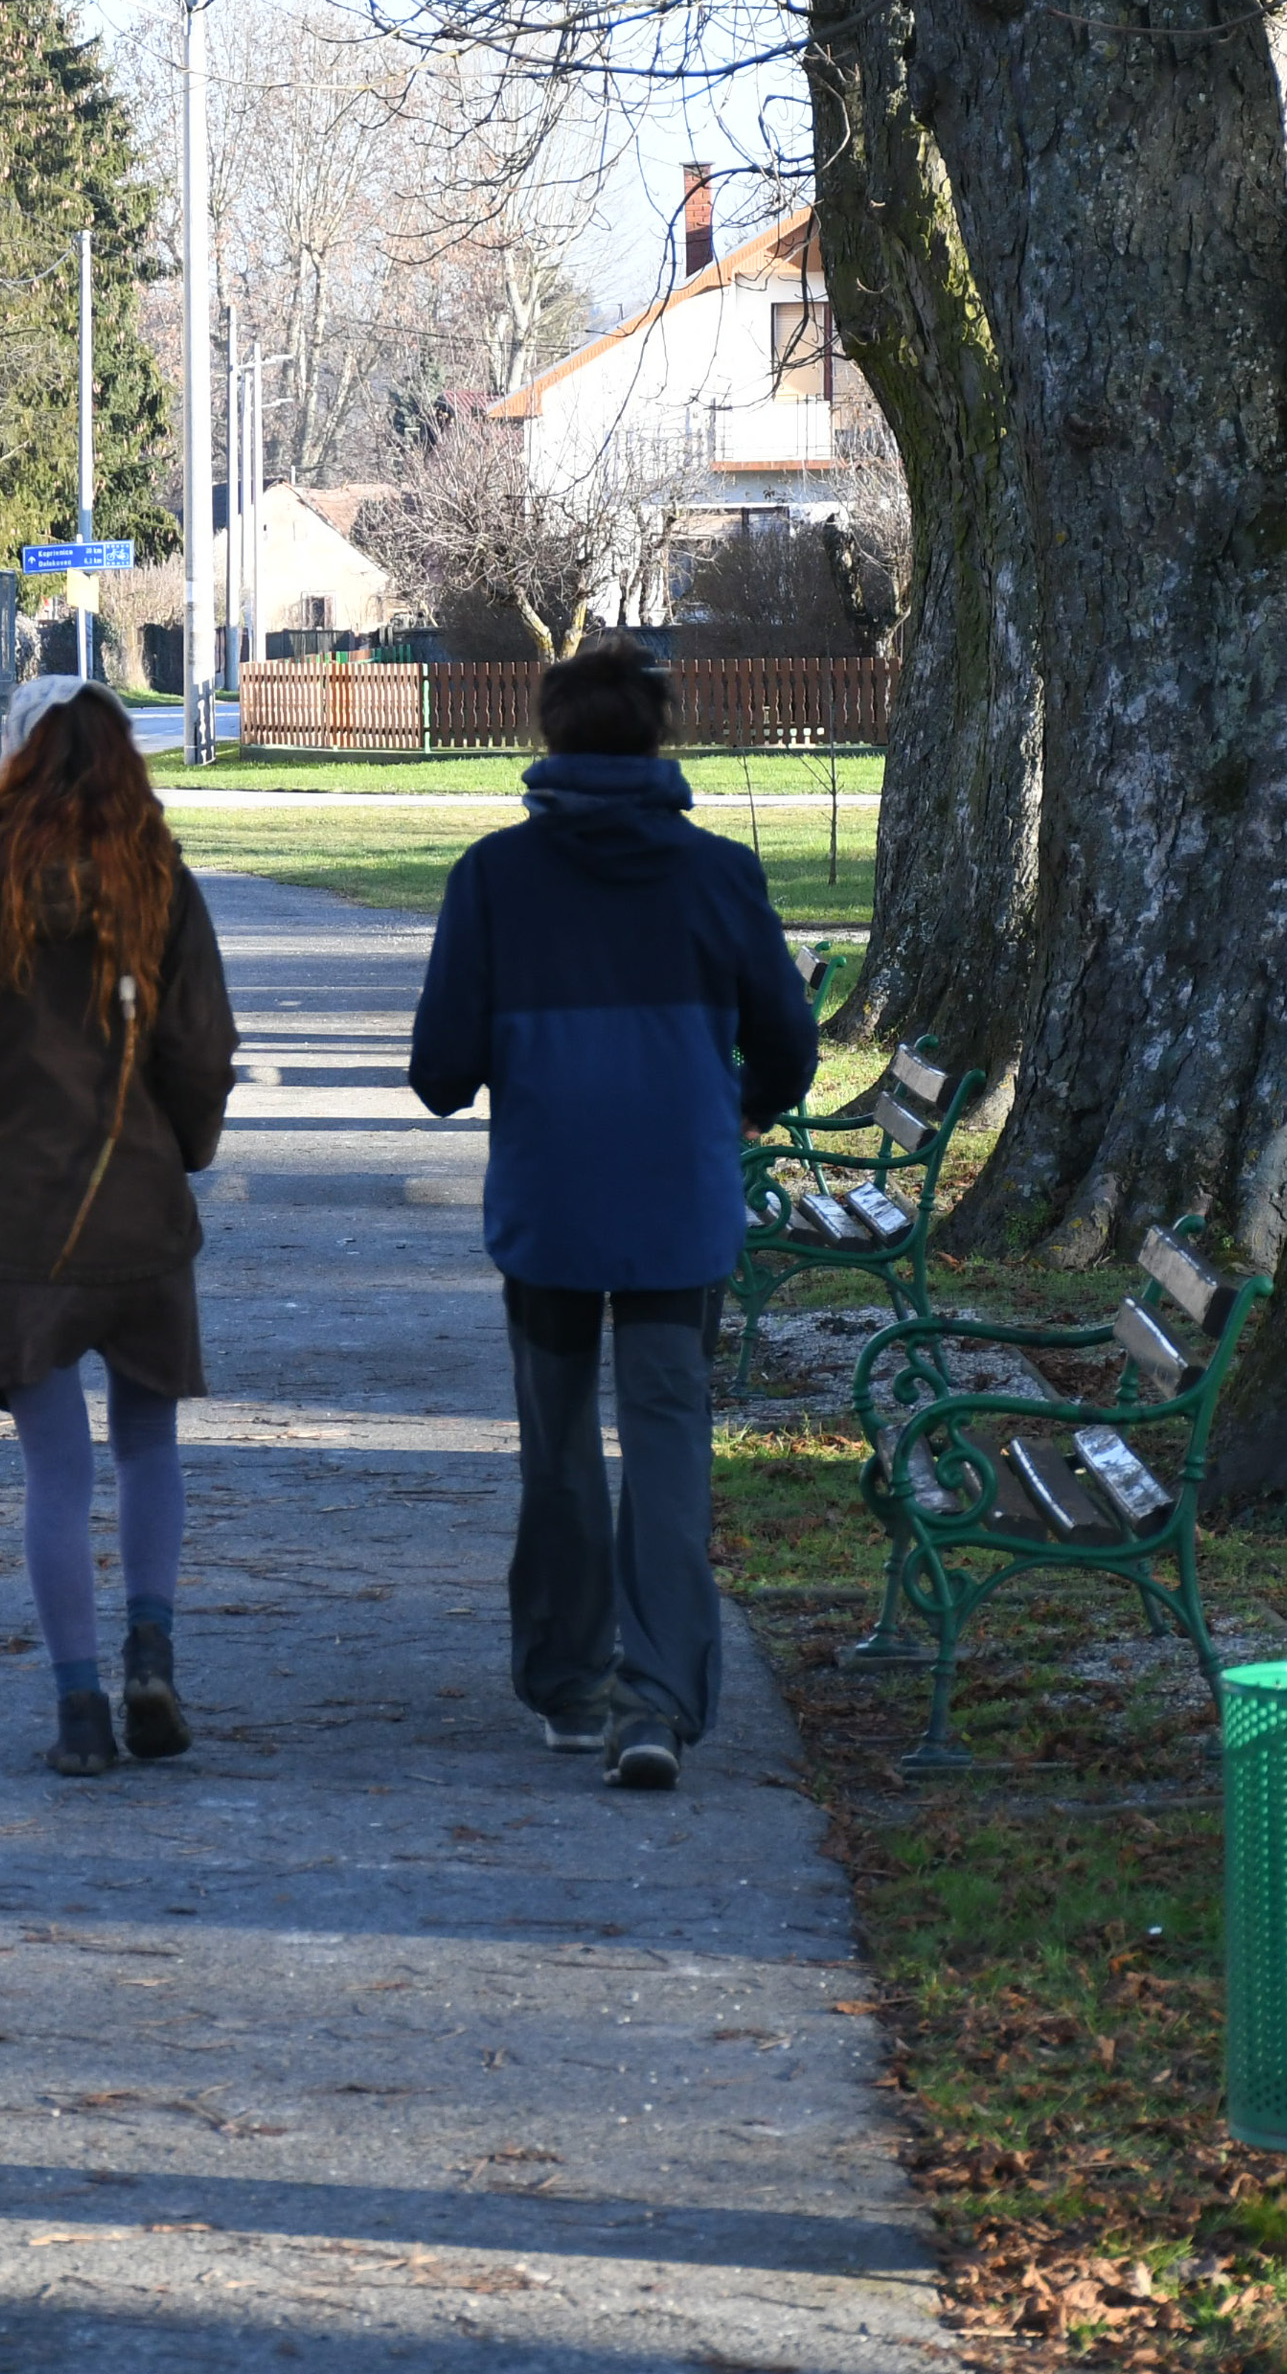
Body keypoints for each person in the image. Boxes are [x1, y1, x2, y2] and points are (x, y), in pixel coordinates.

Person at [406, 643, 818, 1790]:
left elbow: (439, 1070)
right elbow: (786, 1044)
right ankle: (661, 1699)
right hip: (678, 1197)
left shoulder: (492, 878)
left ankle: (566, 1678)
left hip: (550, 1197)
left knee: (558, 1441)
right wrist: (737, 1103)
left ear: (548, 739)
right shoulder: (718, 875)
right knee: (669, 1437)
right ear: (656, 737)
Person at [0, 679, 240, 1777]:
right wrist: (181, 1150)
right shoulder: (160, 884)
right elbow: (201, 1052)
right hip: (135, 1204)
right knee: (147, 1444)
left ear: (15, 758)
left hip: (16, 1218)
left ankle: (79, 1704)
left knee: (54, 1470)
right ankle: (152, 1642)